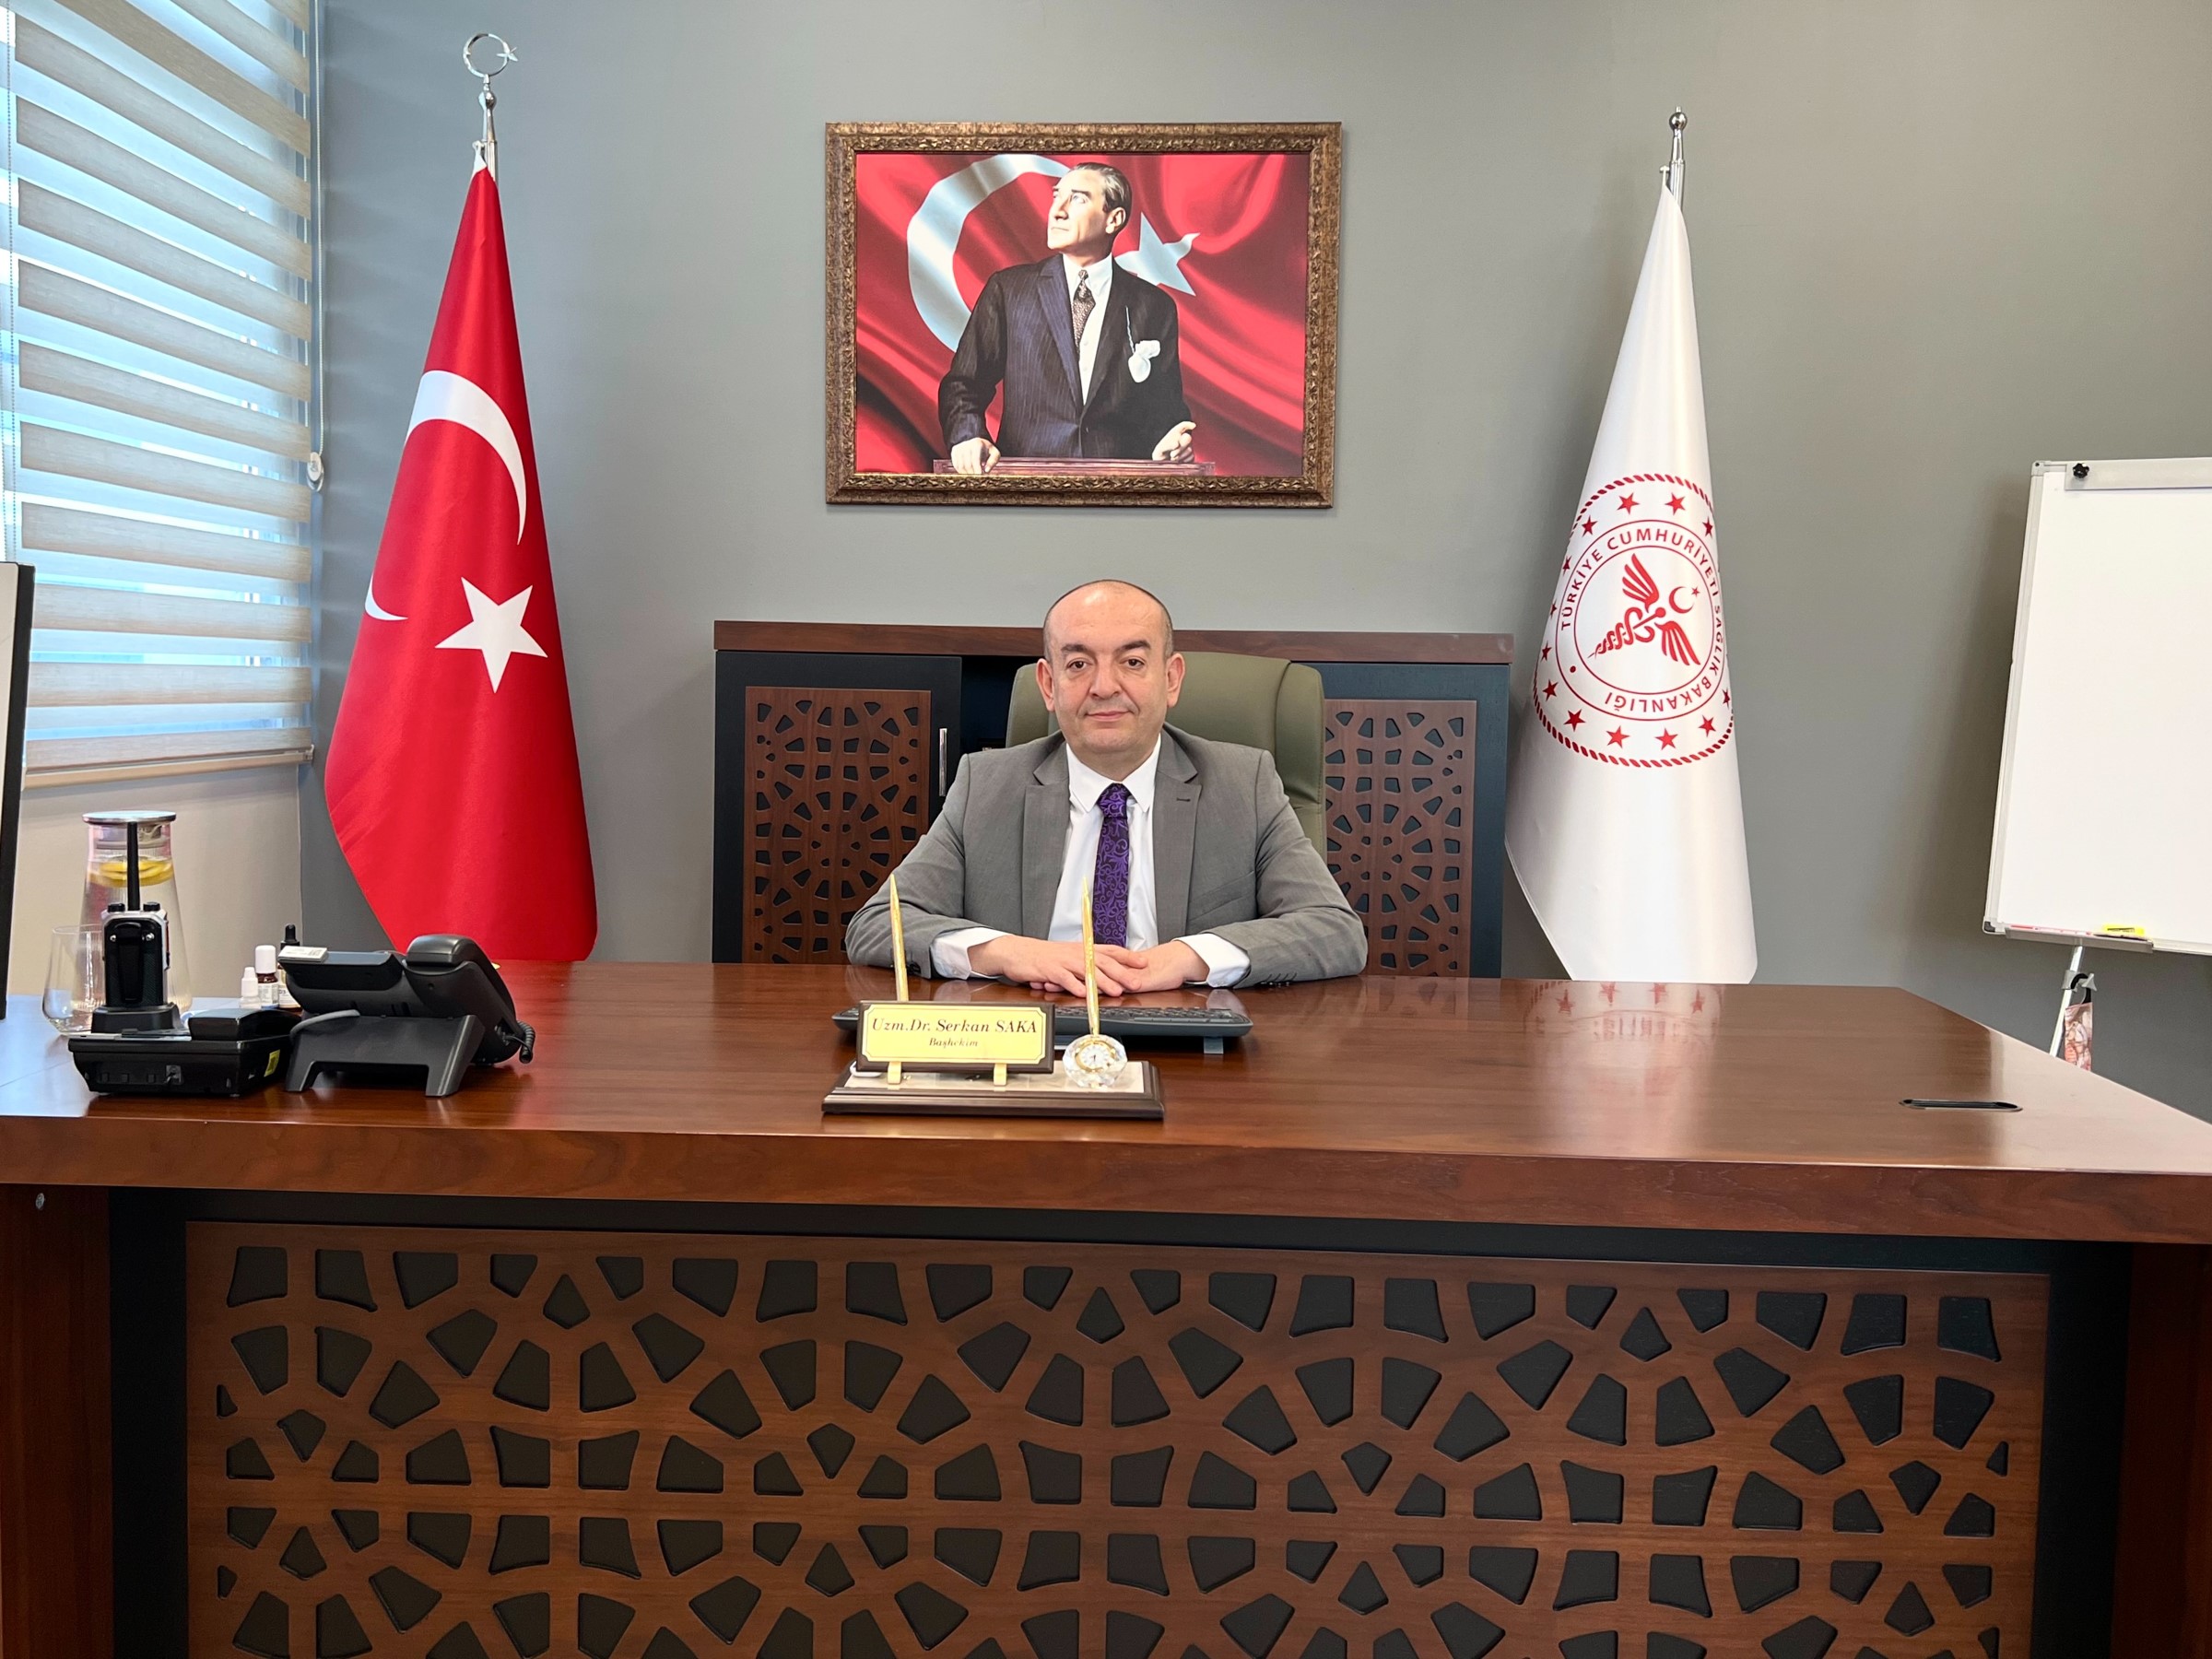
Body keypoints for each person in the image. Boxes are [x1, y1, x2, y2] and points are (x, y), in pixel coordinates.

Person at [845, 581, 1366, 994]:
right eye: (1078, 664)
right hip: (1034, 1039)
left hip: (1186, 1039)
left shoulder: (1242, 784)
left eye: (1132, 662)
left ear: (1171, 678)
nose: (1104, 687)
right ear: (1048, 685)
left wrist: (1188, 957)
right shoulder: (986, 785)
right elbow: (877, 925)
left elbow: (1334, 930)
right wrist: (1008, 952)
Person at [938, 163, 1197, 474]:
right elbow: (964, 384)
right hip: (1027, 487)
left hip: (1118, 490)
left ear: (1114, 219)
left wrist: (1170, 442)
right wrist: (968, 437)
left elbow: (1165, 411)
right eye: (1056, 197)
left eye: (1077, 199)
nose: (1057, 211)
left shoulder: (1154, 306)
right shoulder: (1008, 291)